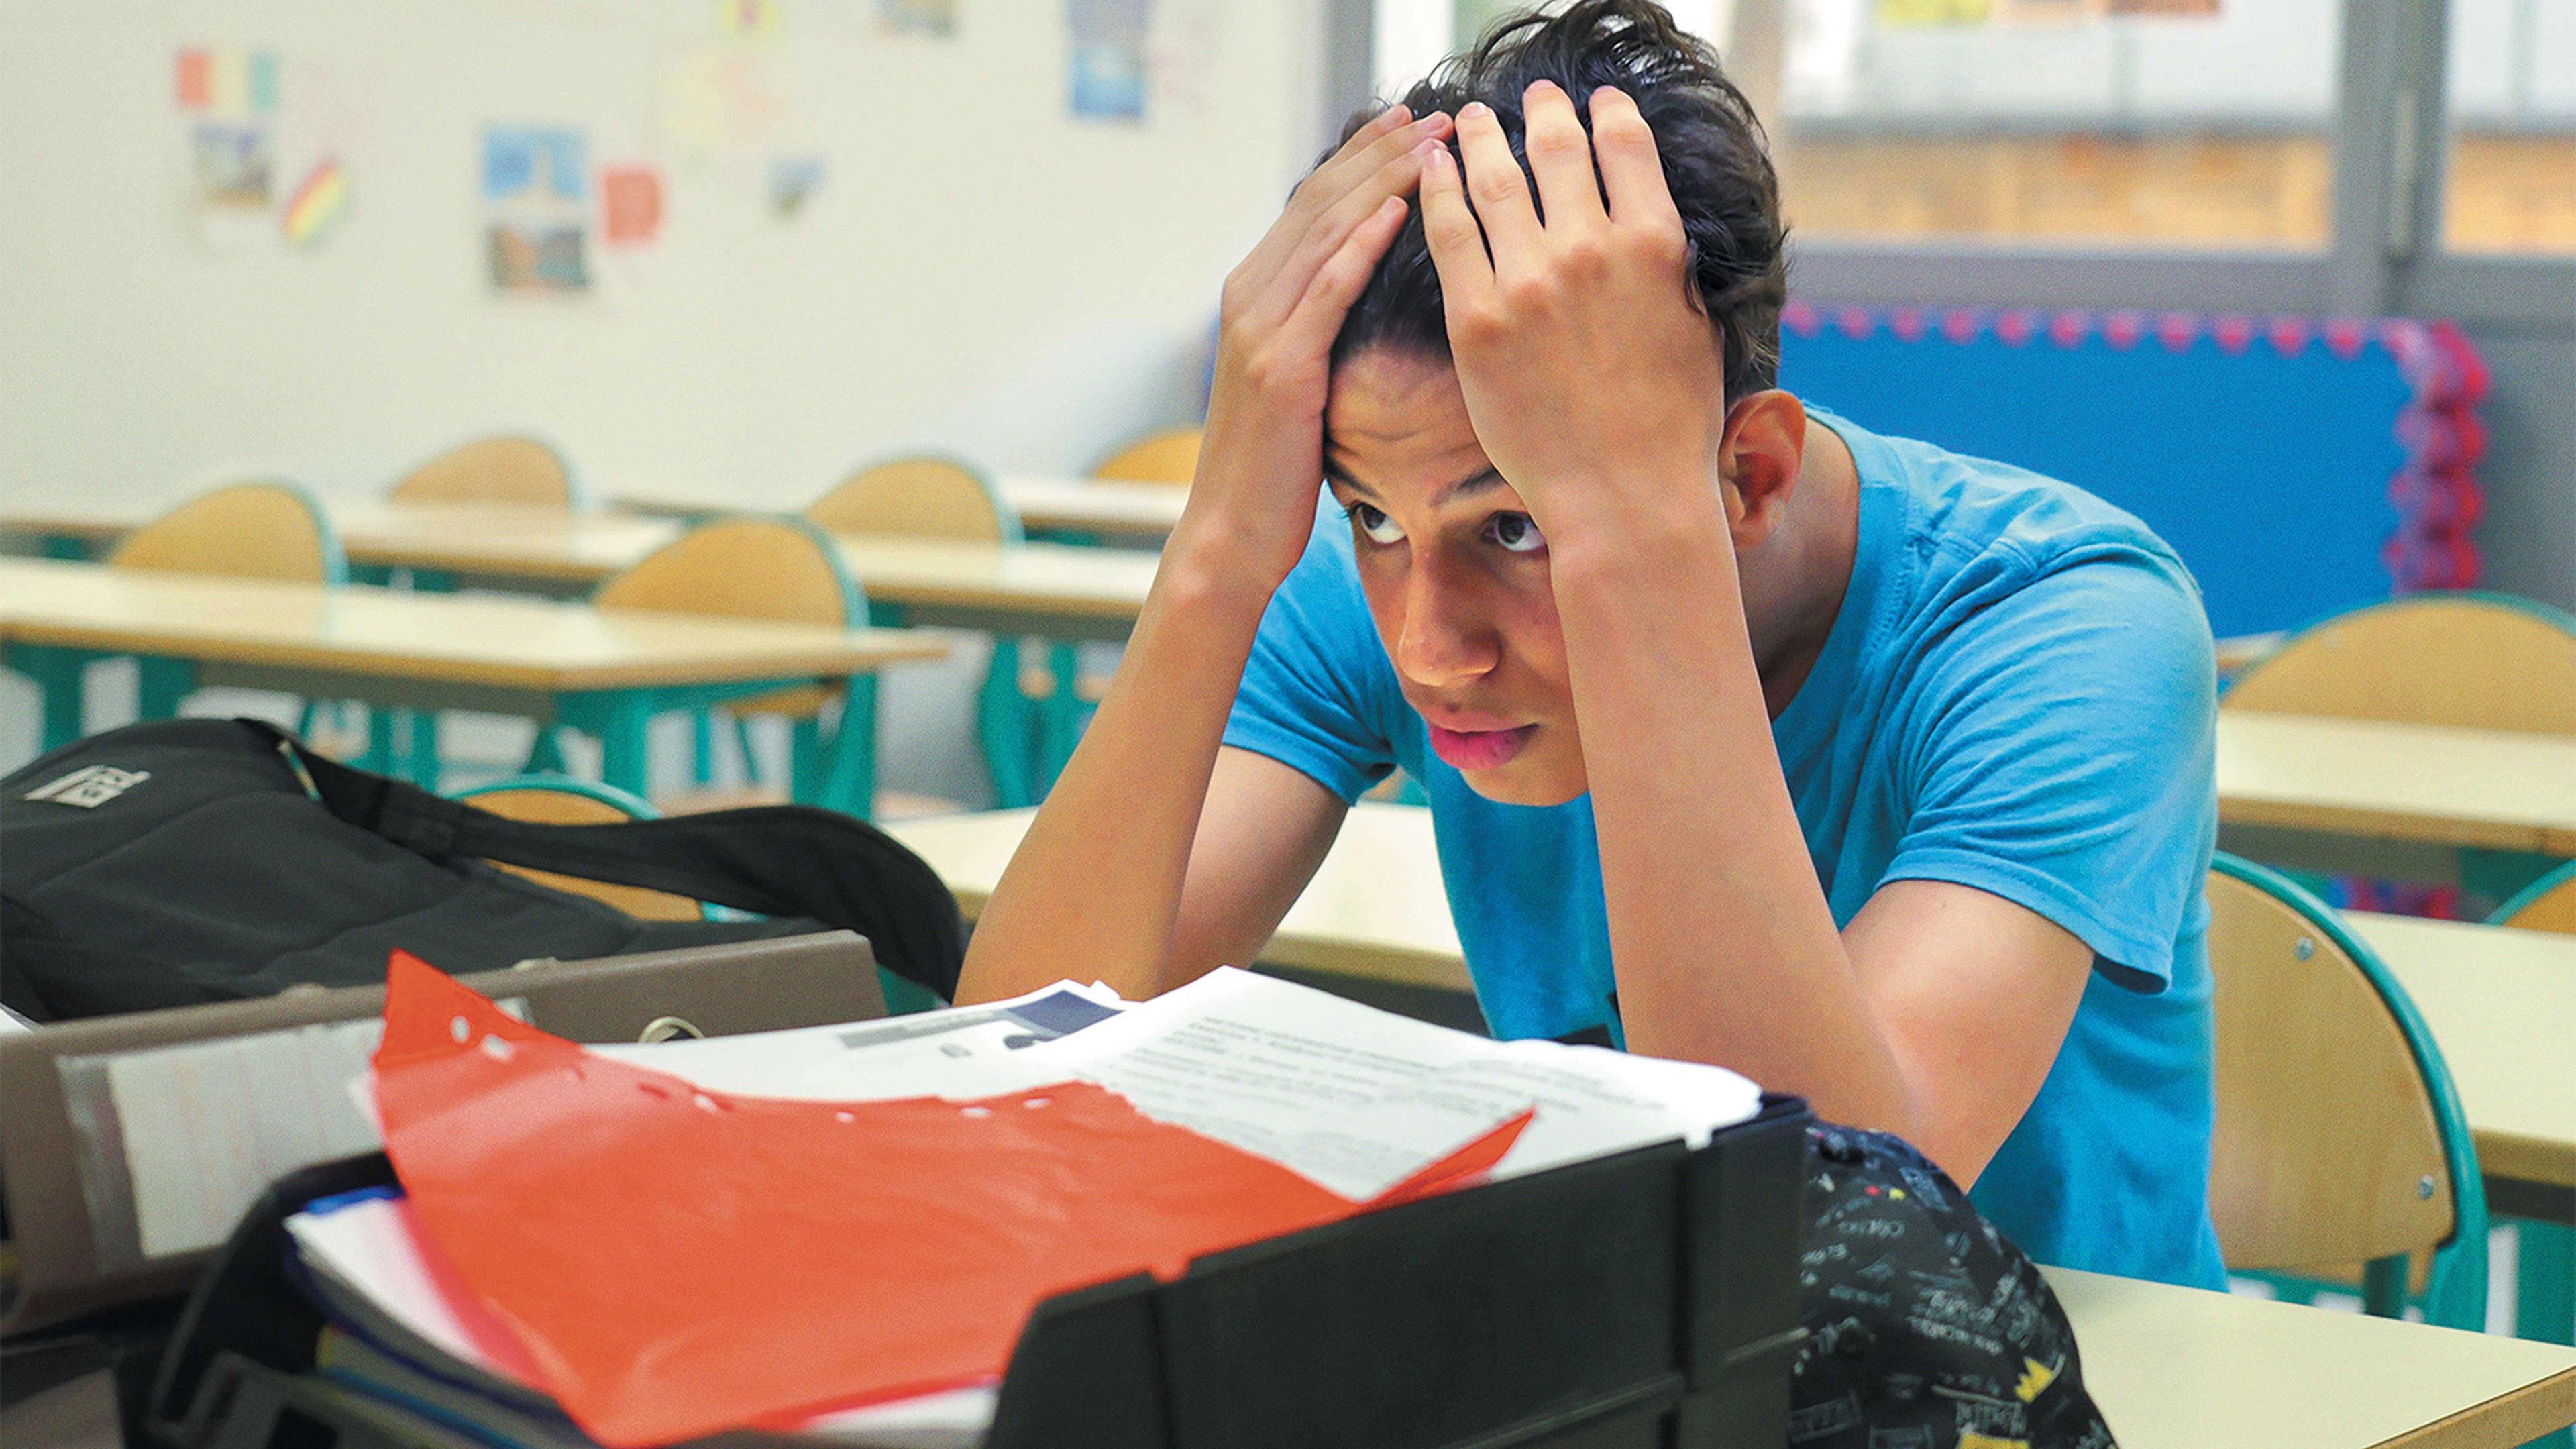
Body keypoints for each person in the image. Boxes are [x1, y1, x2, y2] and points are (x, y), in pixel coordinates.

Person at [957, 0, 2224, 1289]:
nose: (1434, 649)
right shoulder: (1388, 585)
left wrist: (1628, 525)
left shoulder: (2067, 622)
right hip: (1642, 1346)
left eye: (1515, 524)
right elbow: (1012, 1055)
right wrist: (1222, 542)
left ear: (1750, 475)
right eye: (1372, 518)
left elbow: (1821, 1231)